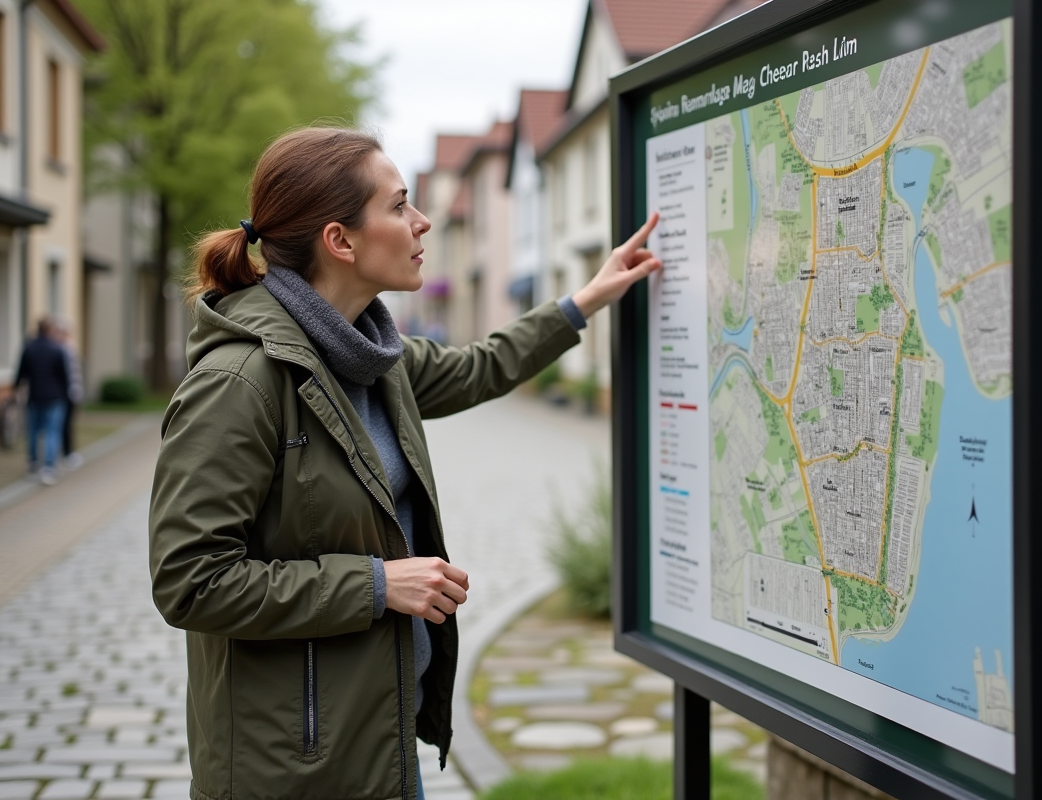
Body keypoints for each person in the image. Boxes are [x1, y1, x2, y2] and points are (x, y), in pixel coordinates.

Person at [147, 127, 661, 800]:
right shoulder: (239, 383)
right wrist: (375, 585)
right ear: (341, 240)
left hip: (382, 743)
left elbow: (483, 365)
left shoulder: (371, 357)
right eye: (399, 206)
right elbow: (189, 580)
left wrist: (583, 301)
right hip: (293, 771)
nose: (422, 223)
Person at [15, 317, 71, 485]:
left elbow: (21, 372)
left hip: (35, 396)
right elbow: (64, 376)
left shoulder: (29, 348)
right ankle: (48, 467)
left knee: (32, 431)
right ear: (49, 330)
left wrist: (17, 389)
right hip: (54, 397)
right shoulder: (57, 349)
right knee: (52, 431)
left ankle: (33, 464)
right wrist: (66, 394)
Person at [54, 319, 85, 470]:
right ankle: (65, 453)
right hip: (65, 392)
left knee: (67, 424)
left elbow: (75, 373)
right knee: (63, 424)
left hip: (71, 391)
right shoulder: (61, 348)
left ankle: (66, 452)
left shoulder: (69, 347)